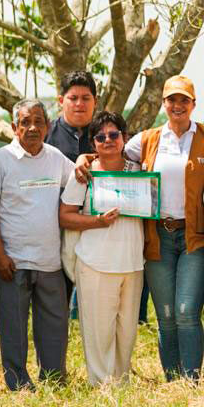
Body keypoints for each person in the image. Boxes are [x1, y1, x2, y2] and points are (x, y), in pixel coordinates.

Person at [0, 99, 74, 390]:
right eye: (25, 122)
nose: (32, 127)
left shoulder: (56, 157)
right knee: (13, 327)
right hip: (13, 260)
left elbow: (82, 178)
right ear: (14, 127)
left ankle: (54, 378)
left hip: (50, 260)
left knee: (54, 326)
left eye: (39, 121)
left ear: (48, 127)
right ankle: (18, 382)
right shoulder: (0, 160)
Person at [128, 76, 204, 380]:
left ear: (194, 104)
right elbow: (111, 158)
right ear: (164, 103)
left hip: (194, 236)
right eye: (172, 100)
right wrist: (85, 160)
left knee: (186, 311)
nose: (178, 106)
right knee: (165, 315)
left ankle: (190, 379)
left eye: (184, 100)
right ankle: (172, 378)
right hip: (158, 236)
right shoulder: (147, 139)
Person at [59, 111, 147, 386]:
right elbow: (65, 216)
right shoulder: (84, 174)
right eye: (100, 136)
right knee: (99, 331)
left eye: (113, 135)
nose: (108, 140)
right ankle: (101, 384)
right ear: (92, 142)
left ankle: (121, 382)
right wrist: (97, 222)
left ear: (124, 138)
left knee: (127, 330)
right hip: (95, 262)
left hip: (132, 263)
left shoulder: (139, 172)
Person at [44, 71, 100, 321]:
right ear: (60, 100)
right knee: (56, 304)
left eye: (86, 98)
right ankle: (53, 360)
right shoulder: (46, 134)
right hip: (53, 227)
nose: (79, 104)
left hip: (98, 228)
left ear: (95, 101)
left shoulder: (106, 134)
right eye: (73, 97)